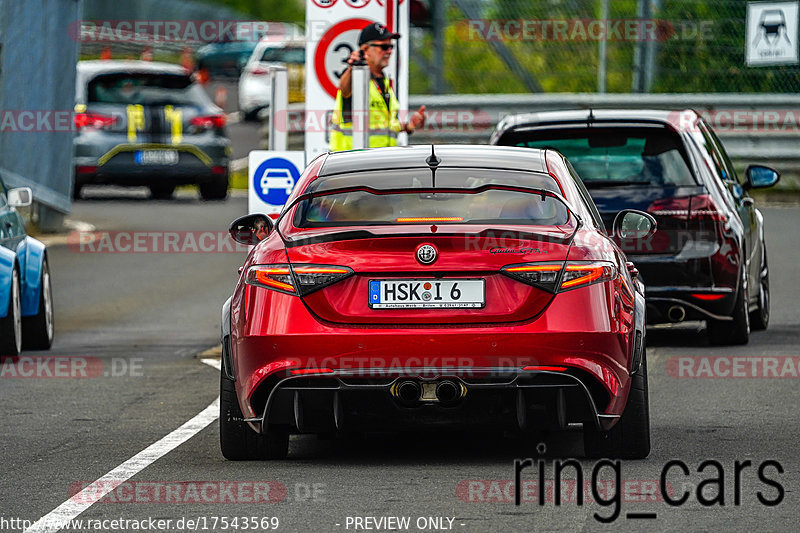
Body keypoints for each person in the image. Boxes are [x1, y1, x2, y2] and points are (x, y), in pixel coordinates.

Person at [329, 22, 426, 151]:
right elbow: (345, 90)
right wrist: (353, 67)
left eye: (391, 46)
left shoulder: (384, 81)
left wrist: (408, 126)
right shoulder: (356, 77)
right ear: (365, 50)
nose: (390, 51)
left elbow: (385, 126)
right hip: (351, 161)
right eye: (384, 47)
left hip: (379, 161)